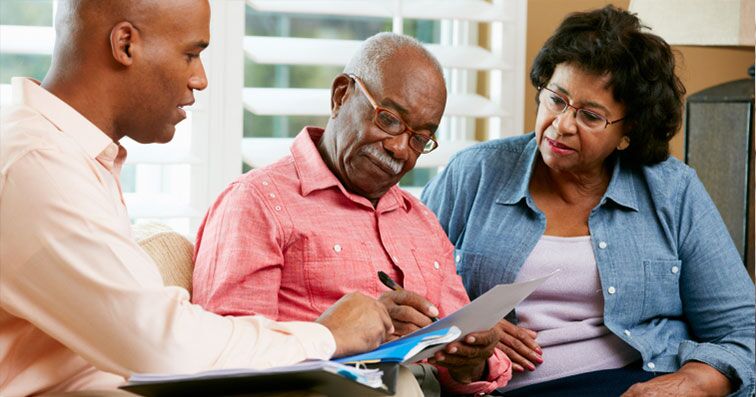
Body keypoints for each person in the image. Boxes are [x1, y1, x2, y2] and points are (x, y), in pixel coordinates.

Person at [0, 1, 405, 396]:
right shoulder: (35, 166)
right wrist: (325, 336)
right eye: (190, 54)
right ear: (126, 44)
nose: (201, 79)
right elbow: (161, 344)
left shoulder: (72, 156)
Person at [422, 5, 755, 397]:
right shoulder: (474, 173)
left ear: (628, 132)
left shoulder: (672, 191)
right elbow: (405, 291)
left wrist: (689, 383)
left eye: (591, 116)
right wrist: (468, 329)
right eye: (556, 100)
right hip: (502, 388)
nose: (561, 125)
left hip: (637, 381)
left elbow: (741, 331)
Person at [191, 32, 512, 395]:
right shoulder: (257, 203)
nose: (399, 148)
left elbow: (465, 362)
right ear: (341, 95)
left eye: (420, 139)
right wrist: (348, 335)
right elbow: (226, 356)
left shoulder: (420, 219)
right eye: (389, 120)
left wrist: (473, 361)